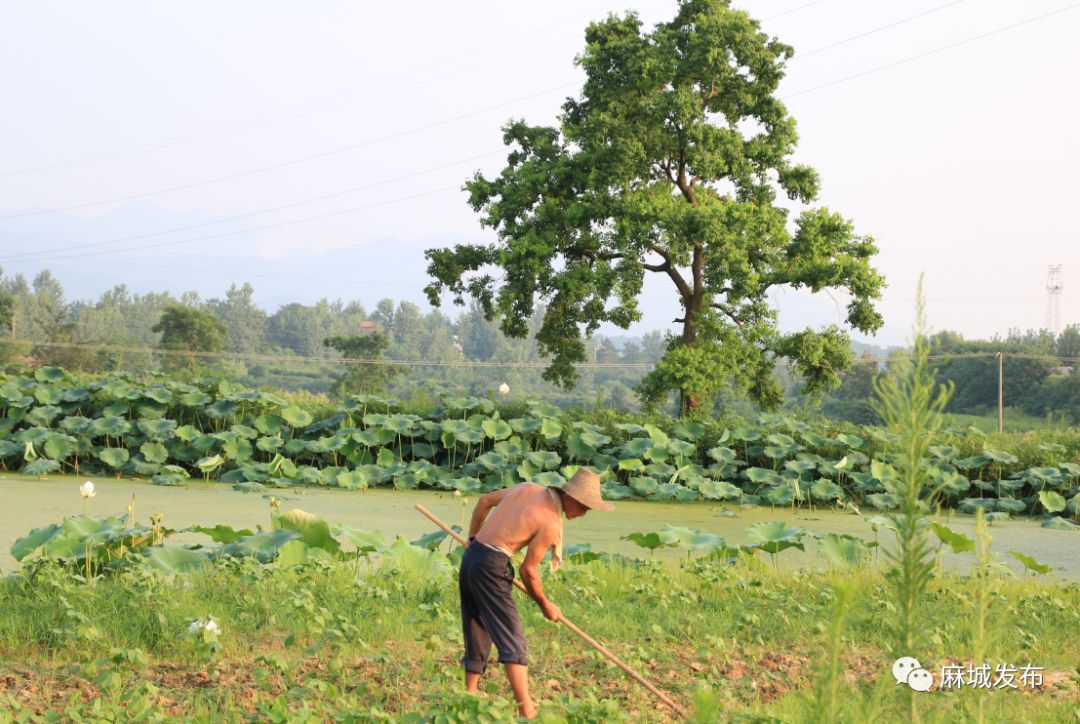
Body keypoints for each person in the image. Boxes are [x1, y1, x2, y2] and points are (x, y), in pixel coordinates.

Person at [458, 467, 613, 719]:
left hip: (472, 558)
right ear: (572, 498)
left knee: (477, 625)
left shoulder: (526, 488)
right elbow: (528, 570)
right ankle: (526, 710)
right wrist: (544, 604)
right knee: (513, 639)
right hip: (492, 565)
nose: (584, 514)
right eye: (585, 508)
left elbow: (484, 501)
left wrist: (472, 537)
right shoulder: (550, 521)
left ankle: (468, 696)